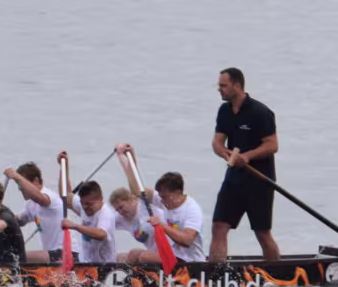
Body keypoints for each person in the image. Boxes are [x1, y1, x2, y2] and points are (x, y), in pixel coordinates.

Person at [211, 67, 280, 261]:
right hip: (234, 179)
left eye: (223, 85)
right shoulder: (224, 111)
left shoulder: (260, 112)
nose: (219, 89)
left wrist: (248, 156)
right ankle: (216, 273)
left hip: (260, 180)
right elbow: (217, 142)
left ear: (237, 86)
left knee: (262, 232)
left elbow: (272, 145)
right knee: (219, 226)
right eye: (219, 85)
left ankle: (277, 272)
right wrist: (223, 152)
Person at [119, 144, 205, 264]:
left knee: (142, 257)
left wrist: (162, 226)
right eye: (160, 197)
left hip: (190, 261)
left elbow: (187, 241)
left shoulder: (192, 210)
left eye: (164, 197)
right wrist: (132, 160)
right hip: (174, 254)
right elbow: (137, 190)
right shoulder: (167, 200)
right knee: (132, 254)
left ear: (177, 192)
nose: (162, 201)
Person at [6, 160, 64, 264]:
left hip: (66, 253)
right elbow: (19, 221)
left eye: (22, 183)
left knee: (18, 257)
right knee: (12, 255)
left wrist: (17, 177)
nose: (20, 188)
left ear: (36, 181)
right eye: (18, 185)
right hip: (51, 254)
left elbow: (41, 199)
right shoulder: (31, 204)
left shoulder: (49, 196)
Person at [61, 180, 118, 264]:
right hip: (87, 263)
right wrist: (64, 172)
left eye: (88, 204)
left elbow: (101, 234)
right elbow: (66, 196)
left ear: (101, 199)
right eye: (82, 203)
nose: (84, 207)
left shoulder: (106, 214)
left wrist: (75, 226)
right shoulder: (84, 205)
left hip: (105, 265)